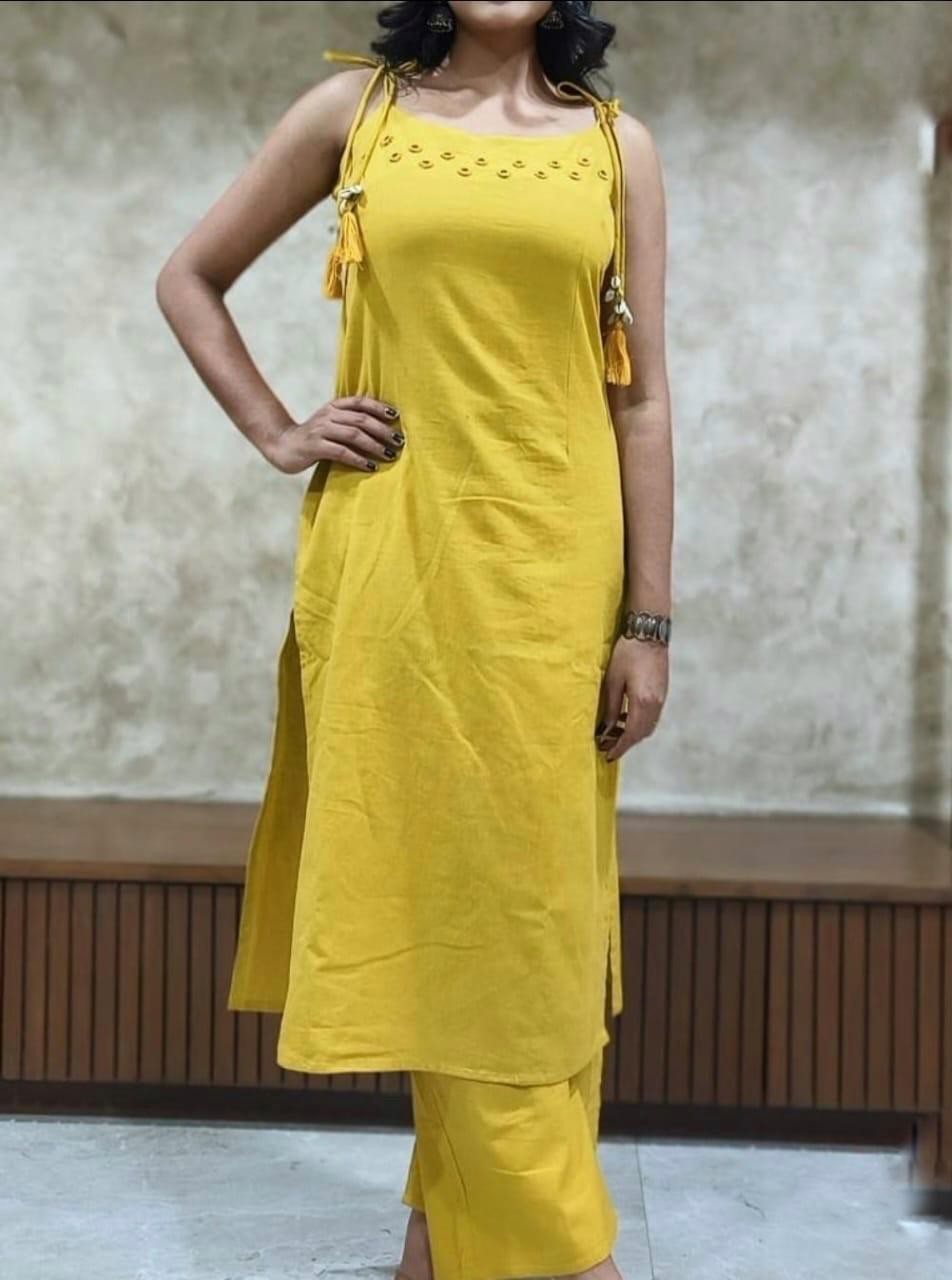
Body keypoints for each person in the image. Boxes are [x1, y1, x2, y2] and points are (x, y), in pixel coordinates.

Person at [155, 2, 672, 1277]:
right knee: (444, 904)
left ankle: (440, 1254)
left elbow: (641, 399)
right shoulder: (357, 114)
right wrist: (279, 429)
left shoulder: (617, 147)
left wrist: (649, 619)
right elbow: (188, 277)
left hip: (553, 590)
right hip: (396, 576)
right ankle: (567, 1258)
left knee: (531, 929)